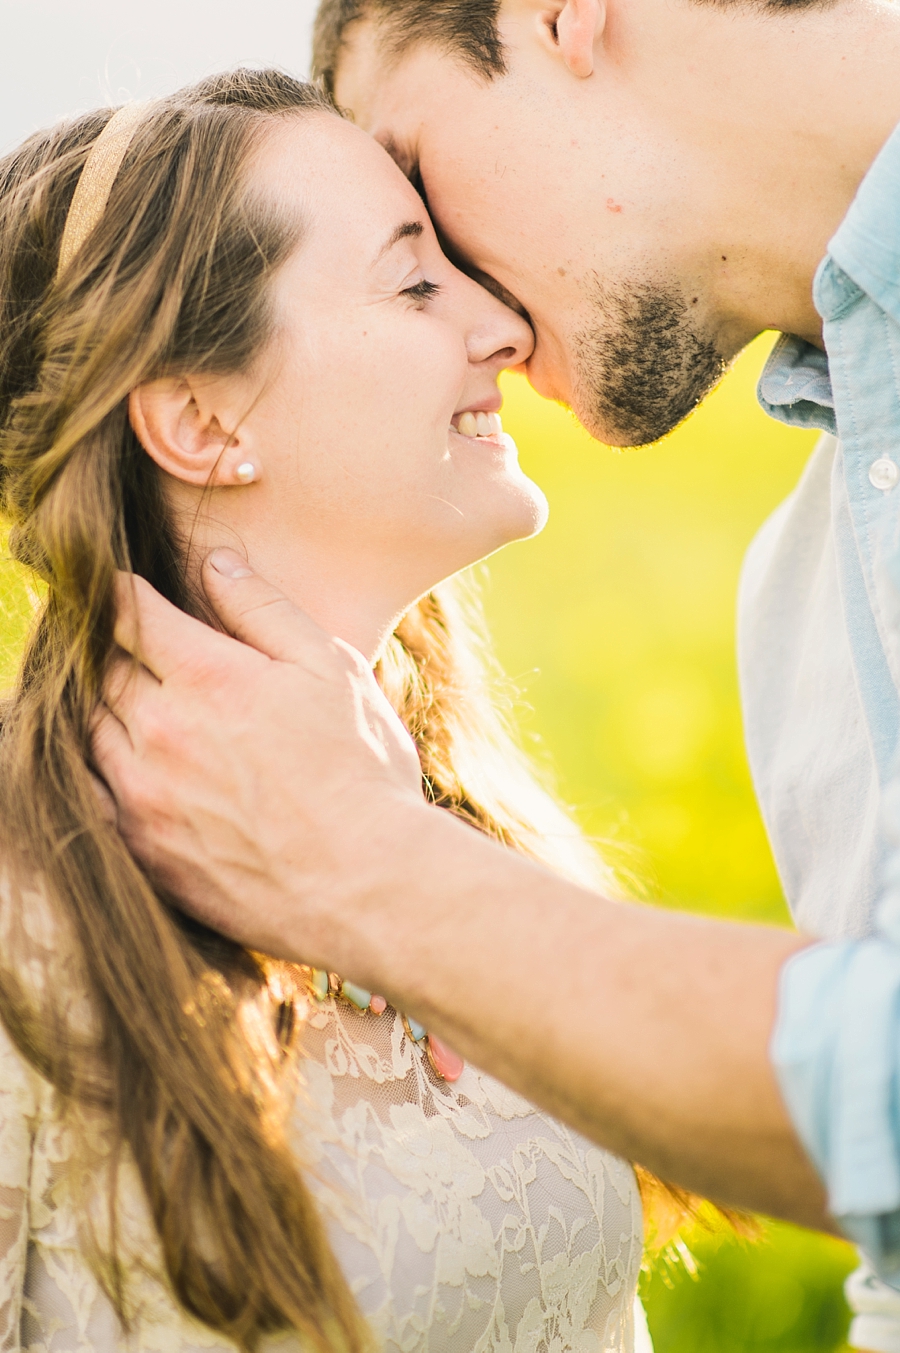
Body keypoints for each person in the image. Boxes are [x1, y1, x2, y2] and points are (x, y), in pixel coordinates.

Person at [88, 1, 900, 1348]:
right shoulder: (803, 585)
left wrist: (366, 870)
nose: (492, 323)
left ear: (567, 14)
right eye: (413, 271)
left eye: (419, 180)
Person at [0, 68, 660, 1353]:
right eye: (418, 282)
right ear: (198, 419)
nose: (505, 328)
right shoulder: (25, 927)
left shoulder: (459, 823)